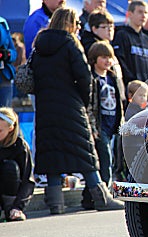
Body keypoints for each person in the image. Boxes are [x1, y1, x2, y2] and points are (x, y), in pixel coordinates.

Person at [31, 7, 123, 214]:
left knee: (51, 154)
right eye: (78, 24)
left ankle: (56, 204)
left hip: (46, 107)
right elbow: (84, 78)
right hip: (71, 106)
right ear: (70, 23)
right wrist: (84, 100)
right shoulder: (70, 43)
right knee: (86, 154)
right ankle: (102, 199)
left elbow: (33, 75)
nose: (79, 27)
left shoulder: (39, 45)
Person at [85, 41, 124, 209]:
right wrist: (93, 128)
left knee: (111, 159)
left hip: (111, 125)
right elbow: (90, 107)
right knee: (105, 159)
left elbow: (120, 98)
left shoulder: (112, 77)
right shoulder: (92, 78)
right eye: (103, 57)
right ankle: (104, 194)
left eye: (110, 57)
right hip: (100, 127)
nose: (108, 61)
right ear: (94, 59)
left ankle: (92, 197)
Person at [0, 107, 35, 221]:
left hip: (11, 189)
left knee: (10, 167)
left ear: (10, 129)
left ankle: (9, 209)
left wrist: (18, 207)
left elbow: (28, 181)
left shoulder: (20, 146)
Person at [112, 1, 148, 86]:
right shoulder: (122, 35)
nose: (144, 16)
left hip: (147, 90)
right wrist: (131, 81)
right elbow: (120, 61)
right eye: (140, 12)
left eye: (145, 13)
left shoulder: (147, 39)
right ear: (130, 14)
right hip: (131, 88)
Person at [0, 17, 17, 107]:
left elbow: (14, 52)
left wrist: (7, 54)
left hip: (4, 76)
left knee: (5, 115)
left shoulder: (2, 23)